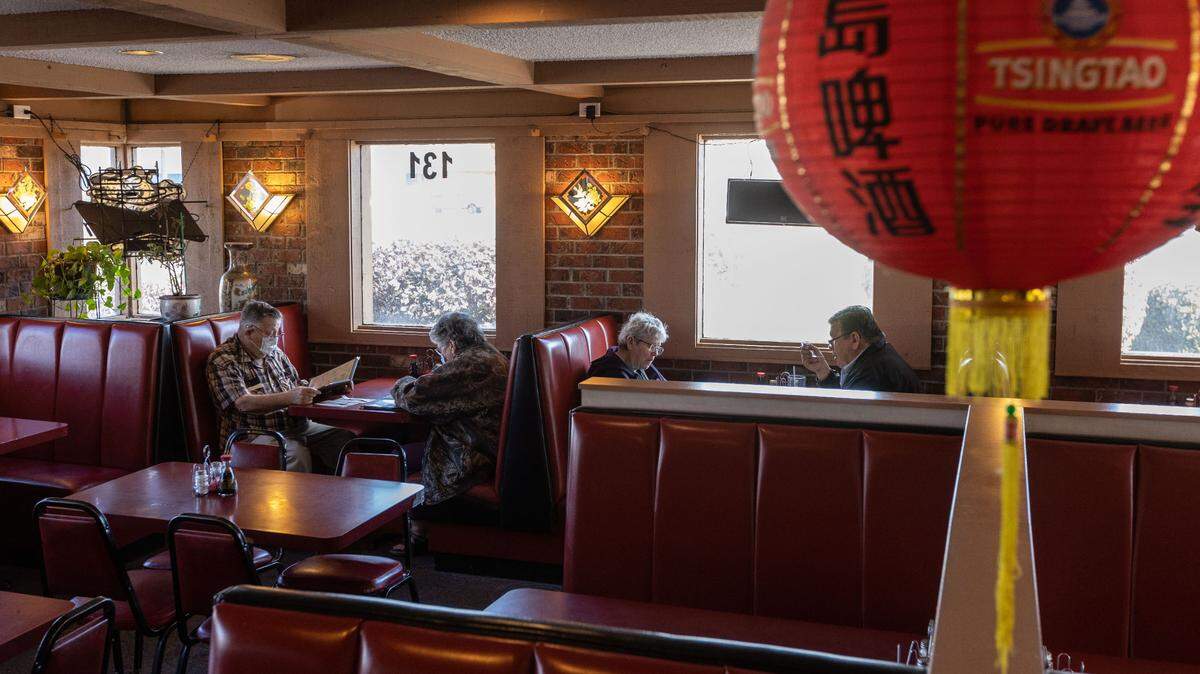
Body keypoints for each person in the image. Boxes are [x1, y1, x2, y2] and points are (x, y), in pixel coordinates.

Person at [206, 300, 355, 472]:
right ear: (248, 331)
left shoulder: (274, 353)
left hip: (295, 426)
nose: (275, 340)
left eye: (278, 334)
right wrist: (290, 397)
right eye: (270, 334)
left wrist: (331, 388)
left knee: (344, 438)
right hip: (252, 434)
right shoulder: (224, 360)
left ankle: (341, 495)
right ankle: (301, 499)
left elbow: (296, 384)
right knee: (295, 454)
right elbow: (242, 403)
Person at [391, 312, 508, 507]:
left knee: (394, 456)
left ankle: (406, 525)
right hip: (487, 448)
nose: (442, 355)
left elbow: (414, 397)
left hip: (469, 459)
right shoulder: (491, 356)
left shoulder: (470, 365)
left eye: (440, 349)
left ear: (452, 344)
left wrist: (403, 382)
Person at [800, 305, 922, 394]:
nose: (830, 346)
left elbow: (843, 413)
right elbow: (846, 395)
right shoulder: (879, 355)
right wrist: (822, 370)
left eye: (833, 339)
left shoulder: (871, 374)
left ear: (854, 339)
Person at [587, 311, 668, 380]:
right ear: (631, 342)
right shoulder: (612, 375)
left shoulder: (640, 362)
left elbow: (664, 386)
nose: (655, 353)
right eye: (652, 346)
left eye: (657, 348)